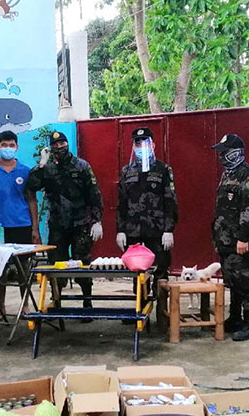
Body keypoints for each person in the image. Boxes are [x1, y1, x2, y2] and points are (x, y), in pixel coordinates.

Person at [26, 131, 103, 317]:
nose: (59, 147)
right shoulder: (48, 167)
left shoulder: (82, 165)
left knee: (82, 262)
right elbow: (32, 185)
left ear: (67, 145)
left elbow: (94, 194)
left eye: (62, 144)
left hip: (80, 222)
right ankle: (57, 300)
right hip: (58, 224)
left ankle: (87, 302)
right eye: (55, 145)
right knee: (56, 264)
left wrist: (97, 220)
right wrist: (41, 164)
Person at [0, 130, 40, 320]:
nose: (8, 148)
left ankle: (25, 305)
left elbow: (32, 200)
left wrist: (35, 228)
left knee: (24, 267)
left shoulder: (26, 171)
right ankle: (1, 307)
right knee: (0, 268)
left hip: (22, 225)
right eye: (4, 145)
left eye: (11, 145)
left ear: (17, 147)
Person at [115, 126, 178, 293]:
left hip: (157, 230)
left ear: (153, 145)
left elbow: (170, 200)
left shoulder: (163, 169)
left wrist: (169, 230)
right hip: (133, 231)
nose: (141, 147)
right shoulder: (127, 171)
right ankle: (141, 307)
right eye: (138, 144)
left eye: (145, 143)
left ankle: (161, 307)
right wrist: (120, 230)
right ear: (133, 146)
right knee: (138, 275)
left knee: (161, 271)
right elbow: (122, 202)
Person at [211, 134, 249, 342]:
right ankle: (235, 318)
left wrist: (243, 238)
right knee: (232, 281)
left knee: (245, 282)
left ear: (235, 152)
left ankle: (248, 324)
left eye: (224, 151)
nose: (221, 155)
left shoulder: (247, 176)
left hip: (240, 240)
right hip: (225, 240)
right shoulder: (227, 174)